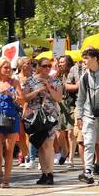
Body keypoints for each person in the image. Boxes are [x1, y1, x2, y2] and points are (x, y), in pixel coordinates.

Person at [76, 48, 99, 185]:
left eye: (86, 58)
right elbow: (80, 98)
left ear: (95, 59)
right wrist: (79, 116)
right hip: (88, 115)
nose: (84, 61)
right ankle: (88, 171)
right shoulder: (84, 77)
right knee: (89, 143)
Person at [23, 56, 62, 185]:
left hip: (50, 116)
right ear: (39, 66)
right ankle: (44, 173)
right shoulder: (30, 81)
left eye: (49, 66)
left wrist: (49, 88)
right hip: (36, 116)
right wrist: (38, 90)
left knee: (48, 145)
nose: (46, 68)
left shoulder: (55, 81)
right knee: (40, 145)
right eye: (44, 66)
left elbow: (58, 98)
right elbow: (25, 97)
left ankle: (50, 173)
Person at [0, 57, 23, 188]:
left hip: (11, 117)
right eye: (5, 68)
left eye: (9, 68)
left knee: (9, 150)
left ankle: (6, 179)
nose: (8, 70)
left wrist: (11, 94)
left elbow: (22, 100)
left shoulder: (14, 82)